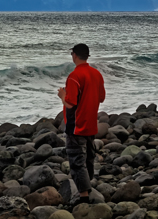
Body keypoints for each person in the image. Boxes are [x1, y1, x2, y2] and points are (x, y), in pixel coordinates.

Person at [58, 43, 105, 203]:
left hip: (76, 124)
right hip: (91, 122)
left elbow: (70, 103)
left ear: (74, 55)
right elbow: (101, 98)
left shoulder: (74, 76)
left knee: (77, 159)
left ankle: (84, 196)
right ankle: (88, 184)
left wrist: (62, 95)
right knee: (89, 157)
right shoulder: (96, 74)